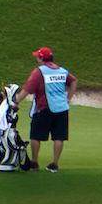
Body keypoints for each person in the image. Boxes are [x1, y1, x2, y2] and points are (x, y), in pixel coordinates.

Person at [20, 46, 72, 174]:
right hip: (62, 108)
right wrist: (68, 99)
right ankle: (55, 164)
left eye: (37, 57)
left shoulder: (39, 72)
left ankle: (35, 162)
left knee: (35, 135)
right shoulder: (62, 71)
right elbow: (74, 81)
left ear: (41, 58)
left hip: (44, 107)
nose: (36, 59)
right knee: (59, 137)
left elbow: (27, 89)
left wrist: (16, 100)